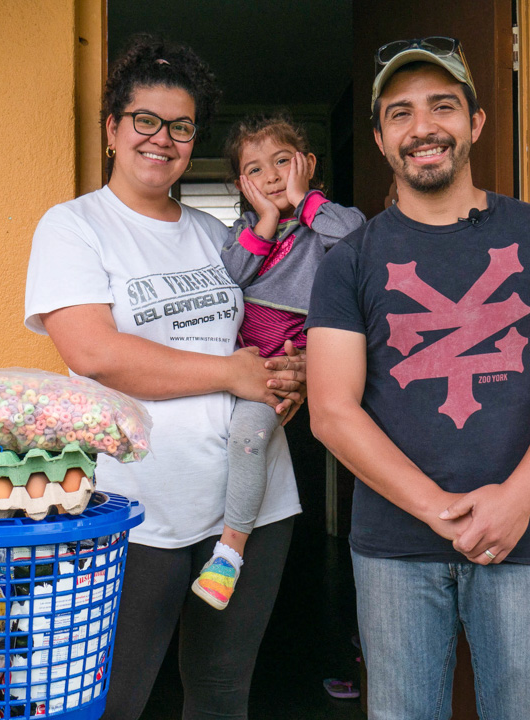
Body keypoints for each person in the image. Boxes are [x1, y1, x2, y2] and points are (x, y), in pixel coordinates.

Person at [305, 37, 530, 720]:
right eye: (400, 113)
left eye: (443, 106)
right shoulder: (349, 263)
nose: (423, 128)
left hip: (529, 537)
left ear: (476, 122)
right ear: (380, 138)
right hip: (394, 548)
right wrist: (444, 510)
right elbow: (331, 409)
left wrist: (516, 501)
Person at [24, 33, 305, 720]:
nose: (163, 139)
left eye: (180, 126)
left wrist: (287, 376)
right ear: (114, 128)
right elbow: (93, 351)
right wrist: (234, 374)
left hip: (252, 505)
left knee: (220, 693)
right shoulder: (74, 226)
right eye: (145, 120)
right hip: (135, 506)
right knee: (113, 699)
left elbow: (265, 332)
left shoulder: (217, 237)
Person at [191, 113, 365, 610]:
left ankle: (229, 553)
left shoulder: (323, 223)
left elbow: (355, 238)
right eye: (255, 170)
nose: (271, 177)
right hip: (237, 359)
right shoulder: (243, 231)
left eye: (282, 162)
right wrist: (266, 221)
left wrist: (304, 201)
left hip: (280, 364)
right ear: (240, 185)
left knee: (247, 439)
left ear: (307, 164)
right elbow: (229, 278)